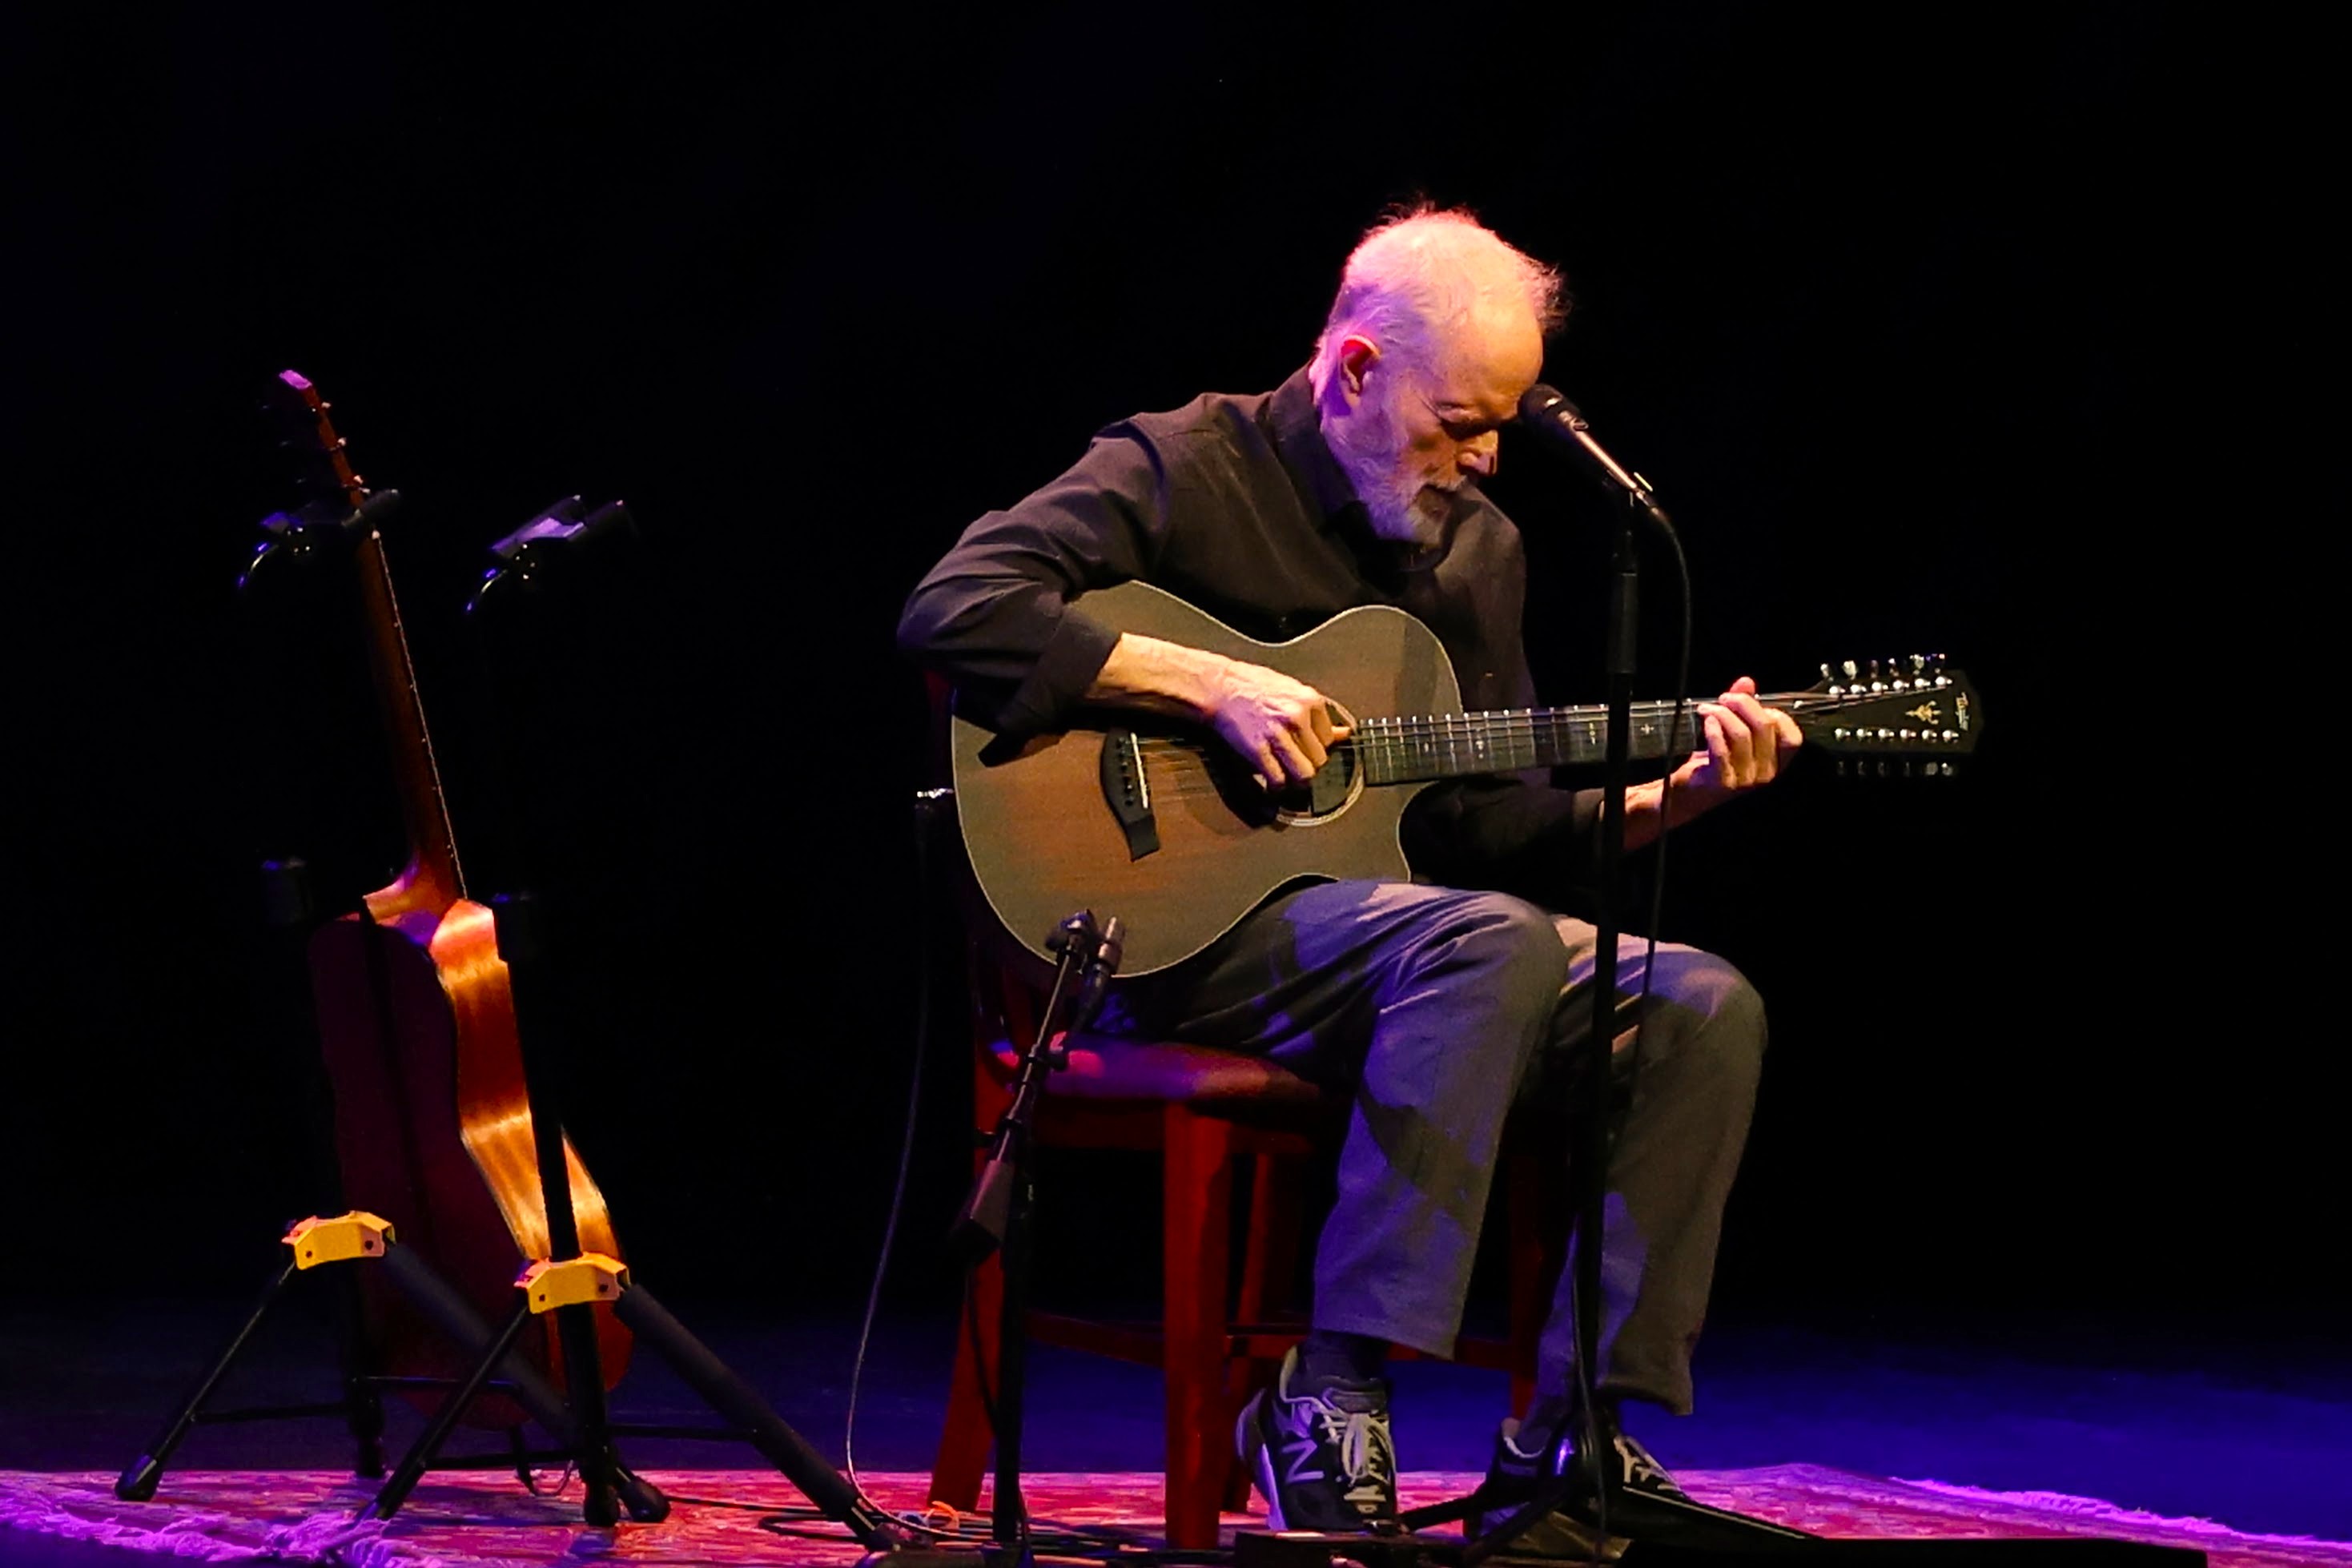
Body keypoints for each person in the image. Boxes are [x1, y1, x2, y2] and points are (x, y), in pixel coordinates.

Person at [896, 206, 1800, 1553]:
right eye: (1456, 420)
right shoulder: (1186, 464)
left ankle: (1575, 1443)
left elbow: (1496, 832)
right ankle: (1328, 1389)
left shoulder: (1476, 548)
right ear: (1356, 369)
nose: (1482, 457)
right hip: (1163, 937)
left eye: (1499, 423)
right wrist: (1207, 684)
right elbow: (953, 603)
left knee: (1693, 1001)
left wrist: (1673, 799)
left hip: (1388, 944)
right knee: (1482, 945)